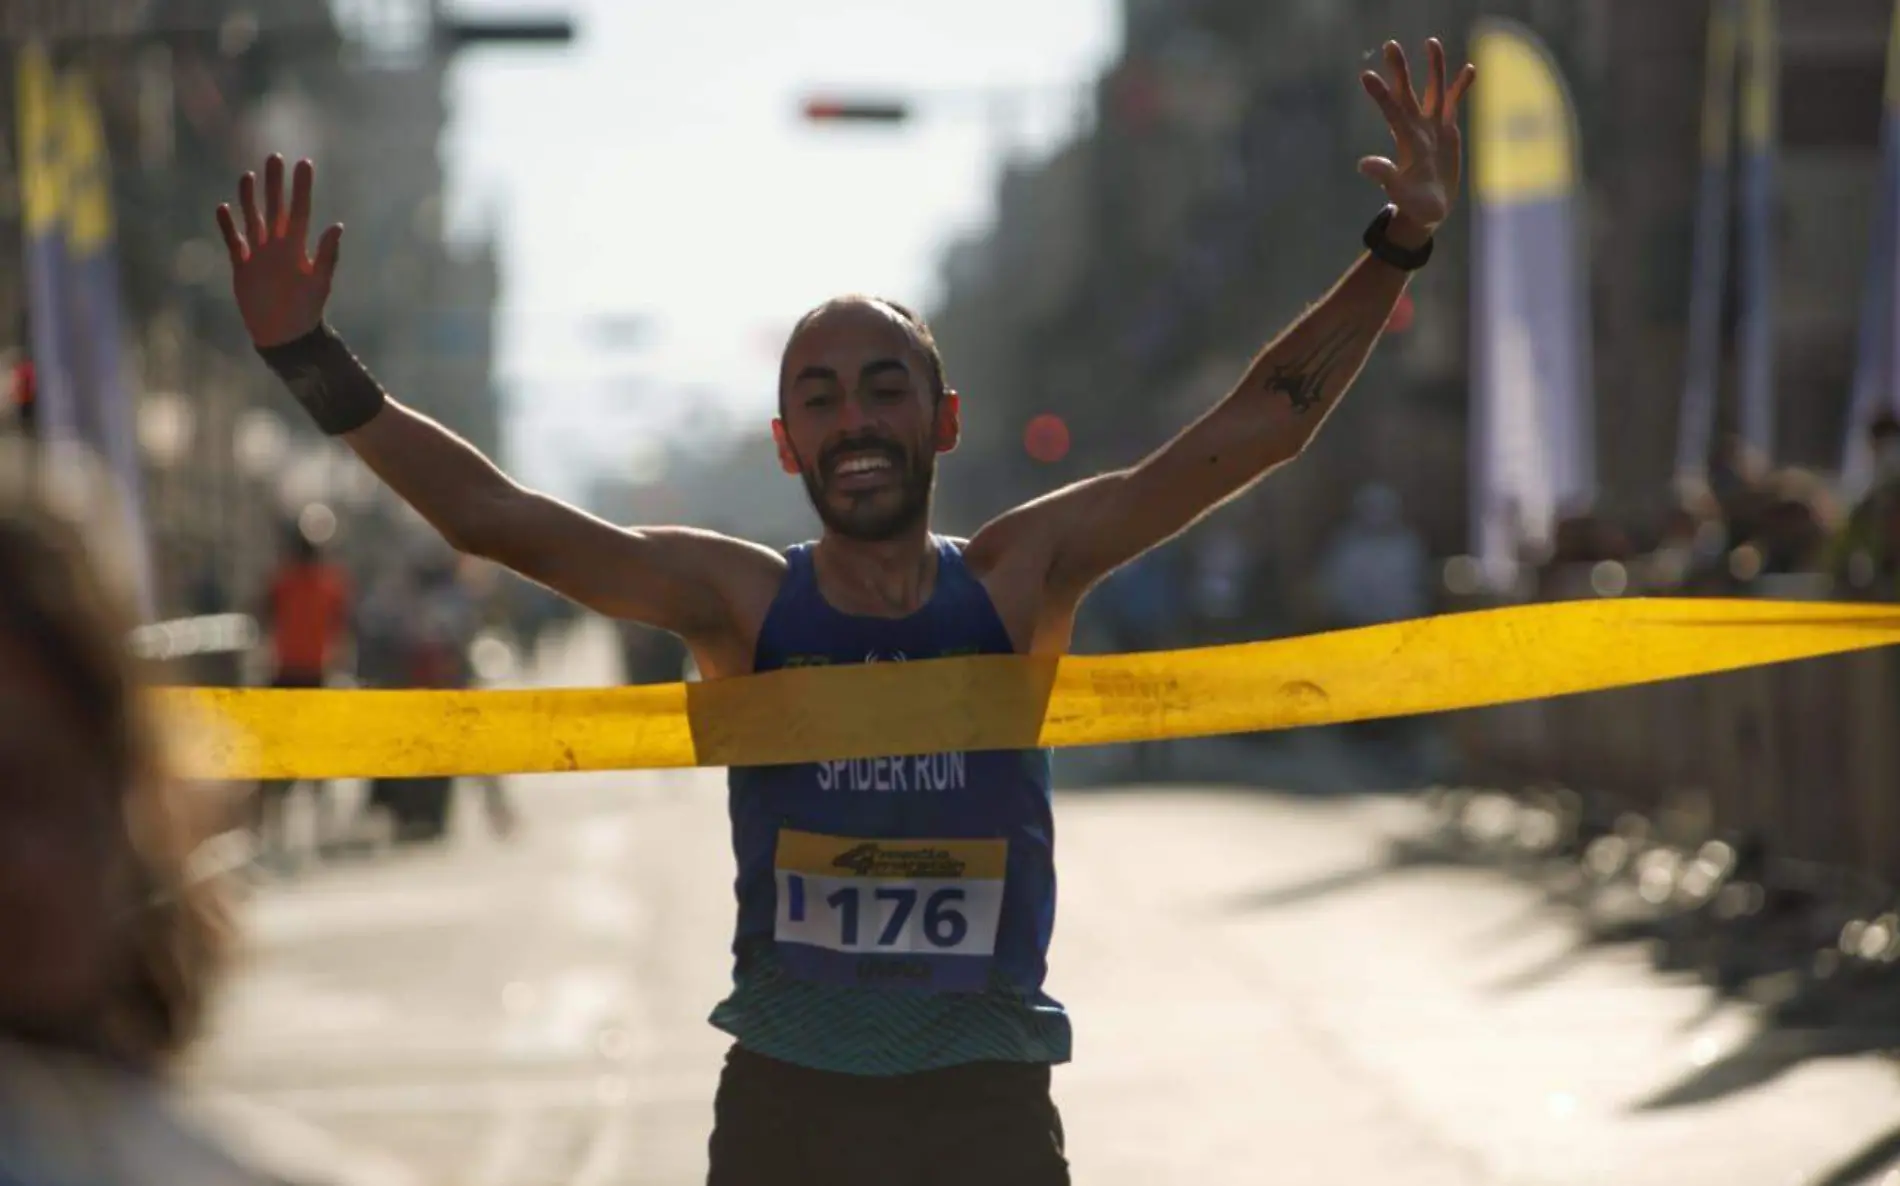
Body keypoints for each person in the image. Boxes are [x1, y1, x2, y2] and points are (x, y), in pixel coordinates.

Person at [213, 38, 1473, 1185]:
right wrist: (308, 361)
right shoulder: (741, 605)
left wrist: (1398, 244)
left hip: (983, 1104)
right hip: (789, 1110)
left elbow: (1262, 425)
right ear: (783, 444)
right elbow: (500, 519)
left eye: (884, 388)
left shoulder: (1017, 577)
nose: (853, 418)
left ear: (944, 422)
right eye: (818, 397)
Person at [251, 526, 352, 868]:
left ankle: (276, 837)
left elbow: (263, 624)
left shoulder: (284, 583)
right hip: (314, 675)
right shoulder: (330, 584)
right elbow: (342, 630)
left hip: (288, 675)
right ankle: (312, 837)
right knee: (312, 760)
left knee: (278, 761)